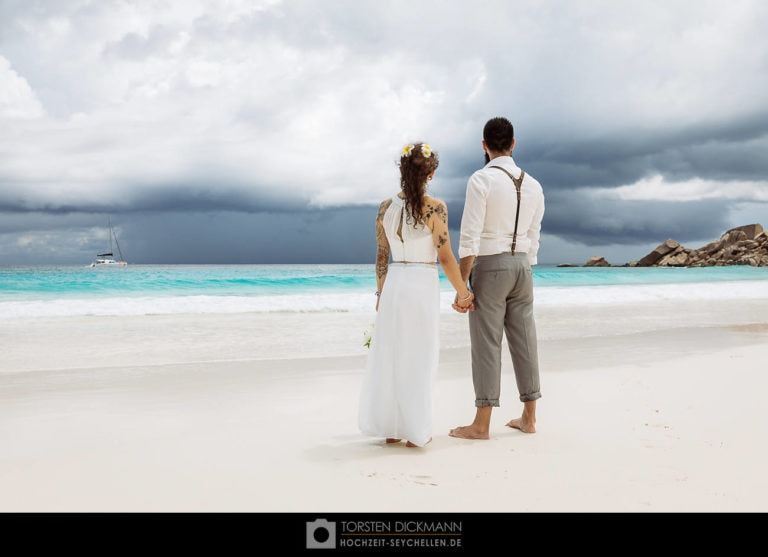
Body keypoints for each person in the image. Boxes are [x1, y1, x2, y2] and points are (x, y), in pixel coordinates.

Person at [358, 142, 474, 448]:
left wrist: (381, 295)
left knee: (392, 355)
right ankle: (415, 430)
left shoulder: (385, 207)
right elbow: (446, 256)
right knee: (418, 356)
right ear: (431, 173)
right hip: (422, 283)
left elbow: (382, 256)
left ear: (402, 171)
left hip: (395, 283)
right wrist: (464, 293)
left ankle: (392, 428)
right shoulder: (435, 207)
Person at [449, 116, 545, 440]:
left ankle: (481, 424)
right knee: (525, 341)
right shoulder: (534, 185)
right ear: (514, 143)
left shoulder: (481, 180)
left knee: (487, 344)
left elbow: (469, 237)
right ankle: (529, 418)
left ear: (484, 145)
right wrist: (525, 266)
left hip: (491, 266)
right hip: (523, 266)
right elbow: (535, 234)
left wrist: (463, 288)